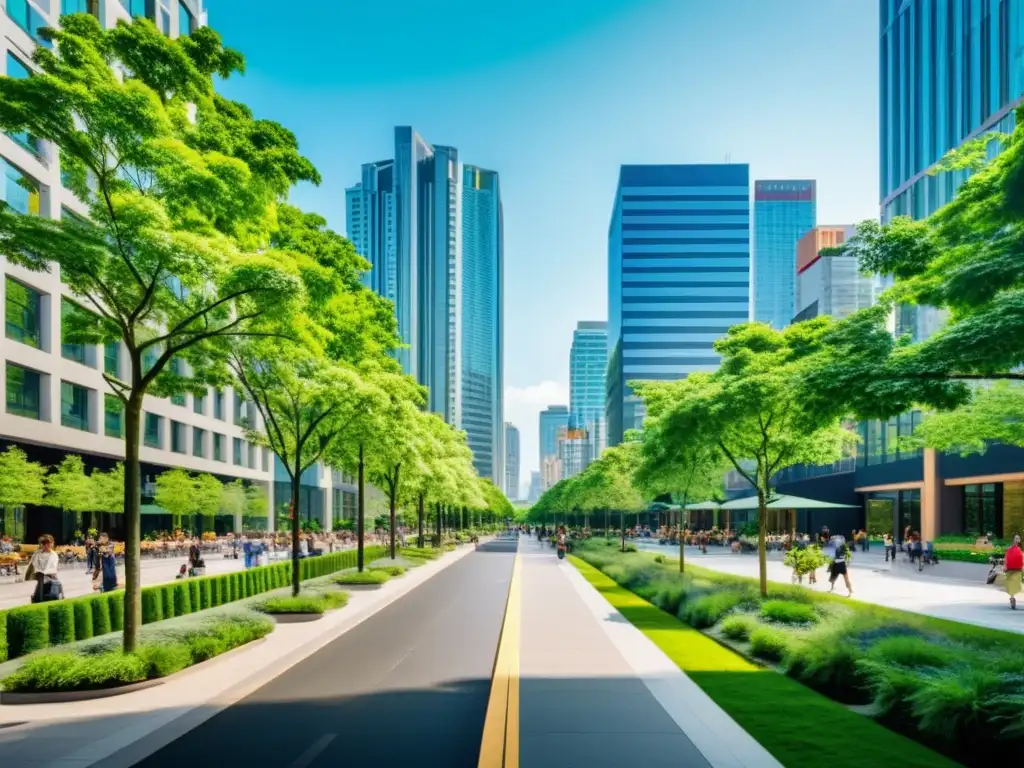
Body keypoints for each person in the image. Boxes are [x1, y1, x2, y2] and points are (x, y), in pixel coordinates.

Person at [24, 534, 61, 603]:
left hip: (51, 577)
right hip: (40, 577)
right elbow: (33, 564)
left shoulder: (53, 554)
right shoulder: (37, 553)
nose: (46, 545)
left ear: (52, 543)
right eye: (44, 543)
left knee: (53, 596)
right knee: (38, 598)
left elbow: (53, 567)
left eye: (48, 543)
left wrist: (46, 572)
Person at [1004, 534, 1022, 610]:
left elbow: (1022, 559)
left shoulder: (1020, 549)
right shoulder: (1010, 549)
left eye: (1018, 538)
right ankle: (1012, 598)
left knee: (1016, 584)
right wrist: (1005, 566)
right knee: (1010, 584)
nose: (1017, 540)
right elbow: (1006, 557)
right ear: (1013, 540)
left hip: (1017, 569)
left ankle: (1012, 598)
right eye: (1016, 538)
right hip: (1010, 569)